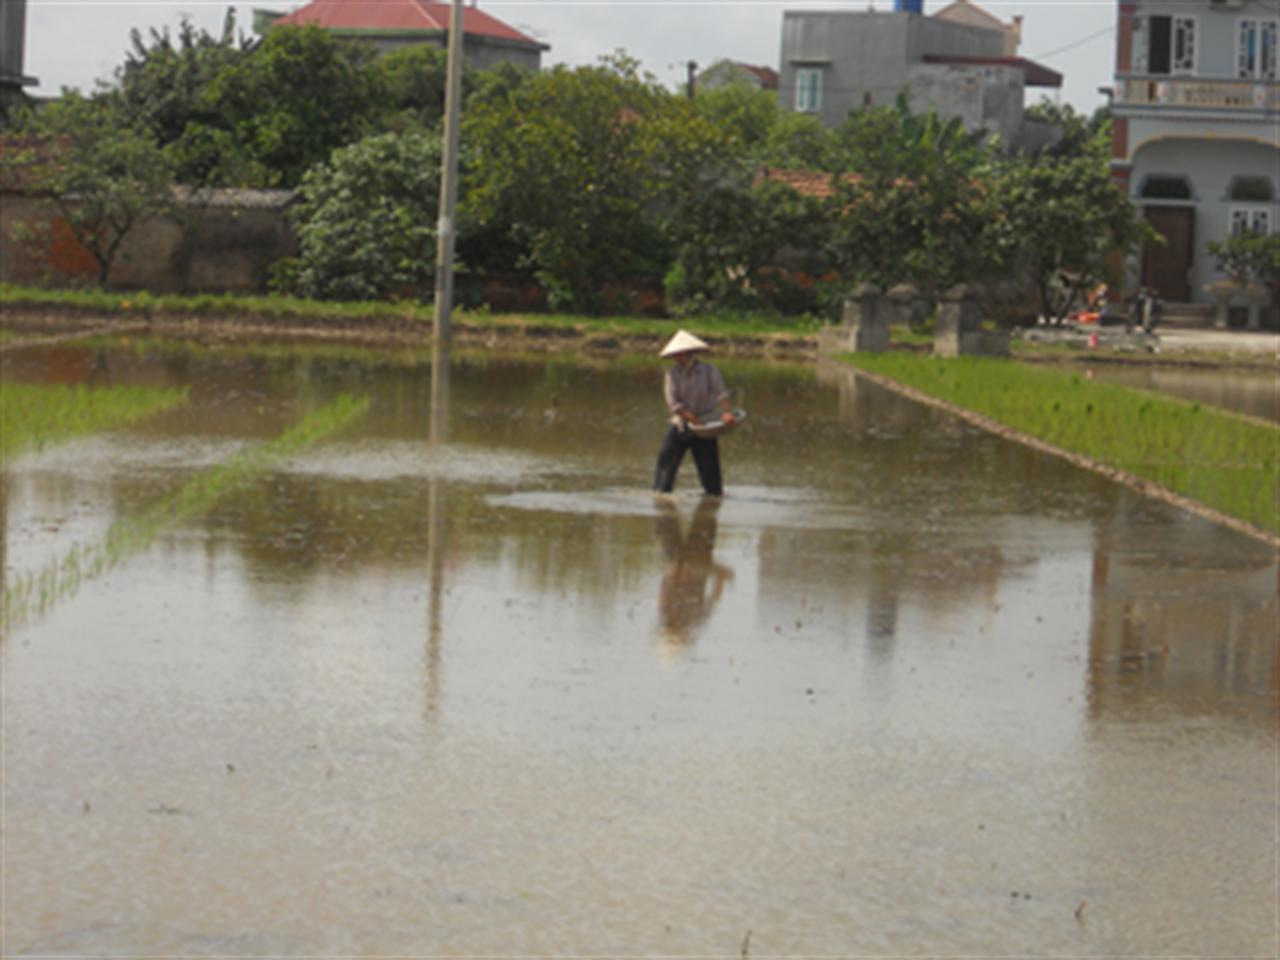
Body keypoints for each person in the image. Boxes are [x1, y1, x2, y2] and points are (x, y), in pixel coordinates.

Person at [653, 330, 735, 497]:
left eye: (680, 354)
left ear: (689, 354)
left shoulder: (709, 371)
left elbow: (721, 393)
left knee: (710, 470)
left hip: (705, 427)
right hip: (681, 425)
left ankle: (713, 497)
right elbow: (674, 405)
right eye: (675, 355)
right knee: (666, 460)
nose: (677, 358)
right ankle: (661, 495)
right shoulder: (672, 375)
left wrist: (727, 412)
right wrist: (692, 420)